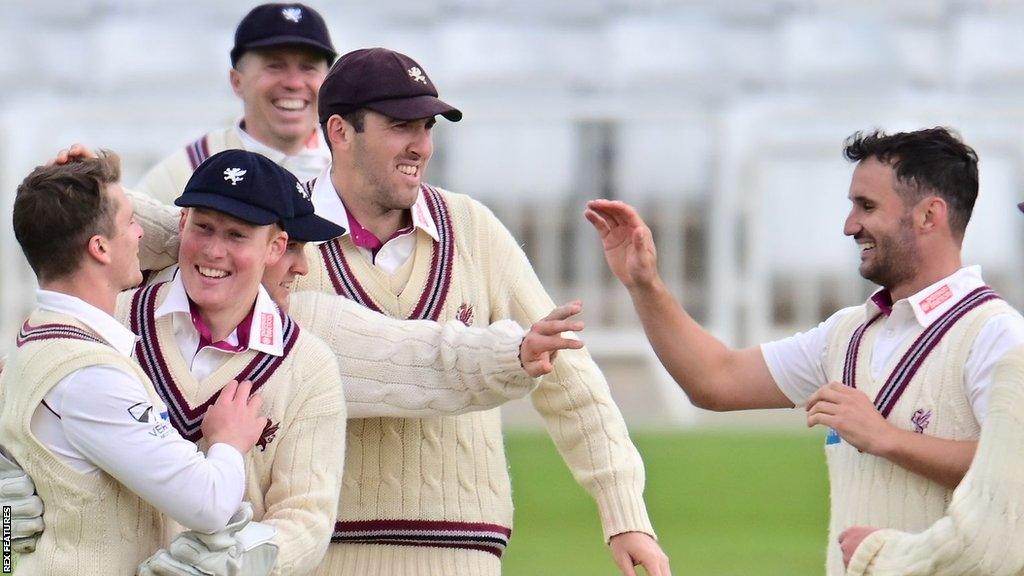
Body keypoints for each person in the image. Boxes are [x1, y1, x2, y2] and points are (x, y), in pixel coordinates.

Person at [293, 47, 669, 576]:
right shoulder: (285, 240)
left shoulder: (472, 228)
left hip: (464, 555)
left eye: (428, 127)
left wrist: (626, 513)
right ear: (339, 131)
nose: (420, 146)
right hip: (322, 555)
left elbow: (571, 378)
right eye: (401, 126)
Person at [584, 127, 1024, 575]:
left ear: (930, 215)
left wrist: (886, 438)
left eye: (866, 207)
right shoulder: (848, 333)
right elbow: (715, 380)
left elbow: (1015, 477)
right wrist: (645, 284)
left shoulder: (996, 335)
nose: (850, 225)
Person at [0, 153, 269, 574]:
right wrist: (228, 443)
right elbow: (210, 504)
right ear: (100, 247)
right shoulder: (89, 376)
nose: (142, 233)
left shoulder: (31, 339)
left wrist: (4, 558)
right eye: (130, 222)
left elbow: (7, 543)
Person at [123, 148, 349, 575]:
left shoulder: (309, 366)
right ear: (183, 223)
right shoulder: (114, 321)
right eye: (204, 227)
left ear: (275, 246)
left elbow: (306, 518)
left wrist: (231, 565)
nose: (213, 250)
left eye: (236, 235)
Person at [137, 3, 335, 204]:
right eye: (275, 66)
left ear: (329, 81)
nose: (293, 83)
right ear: (237, 81)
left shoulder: (352, 167)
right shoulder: (187, 171)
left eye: (308, 68)